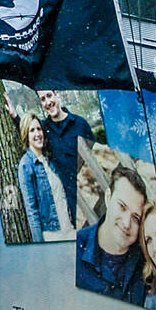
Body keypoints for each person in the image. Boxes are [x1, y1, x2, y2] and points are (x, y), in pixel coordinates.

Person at [74, 165, 147, 307]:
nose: (126, 224)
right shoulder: (74, 250)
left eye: (135, 218)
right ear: (108, 198)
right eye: (122, 207)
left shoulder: (146, 262)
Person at [34, 89, 94, 224]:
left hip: (89, 190)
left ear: (57, 94)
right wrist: (14, 115)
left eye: (49, 96)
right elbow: (29, 133)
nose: (48, 102)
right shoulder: (43, 130)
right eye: (43, 99)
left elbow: (95, 155)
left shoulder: (80, 123)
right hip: (68, 201)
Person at [16, 113, 73, 243]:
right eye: (32, 130)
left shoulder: (49, 161)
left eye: (39, 129)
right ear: (26, 134)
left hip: (69, 229)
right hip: (52, 235)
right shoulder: (26, 165)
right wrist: (40, 247)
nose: (37, 134)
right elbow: (32, 211)